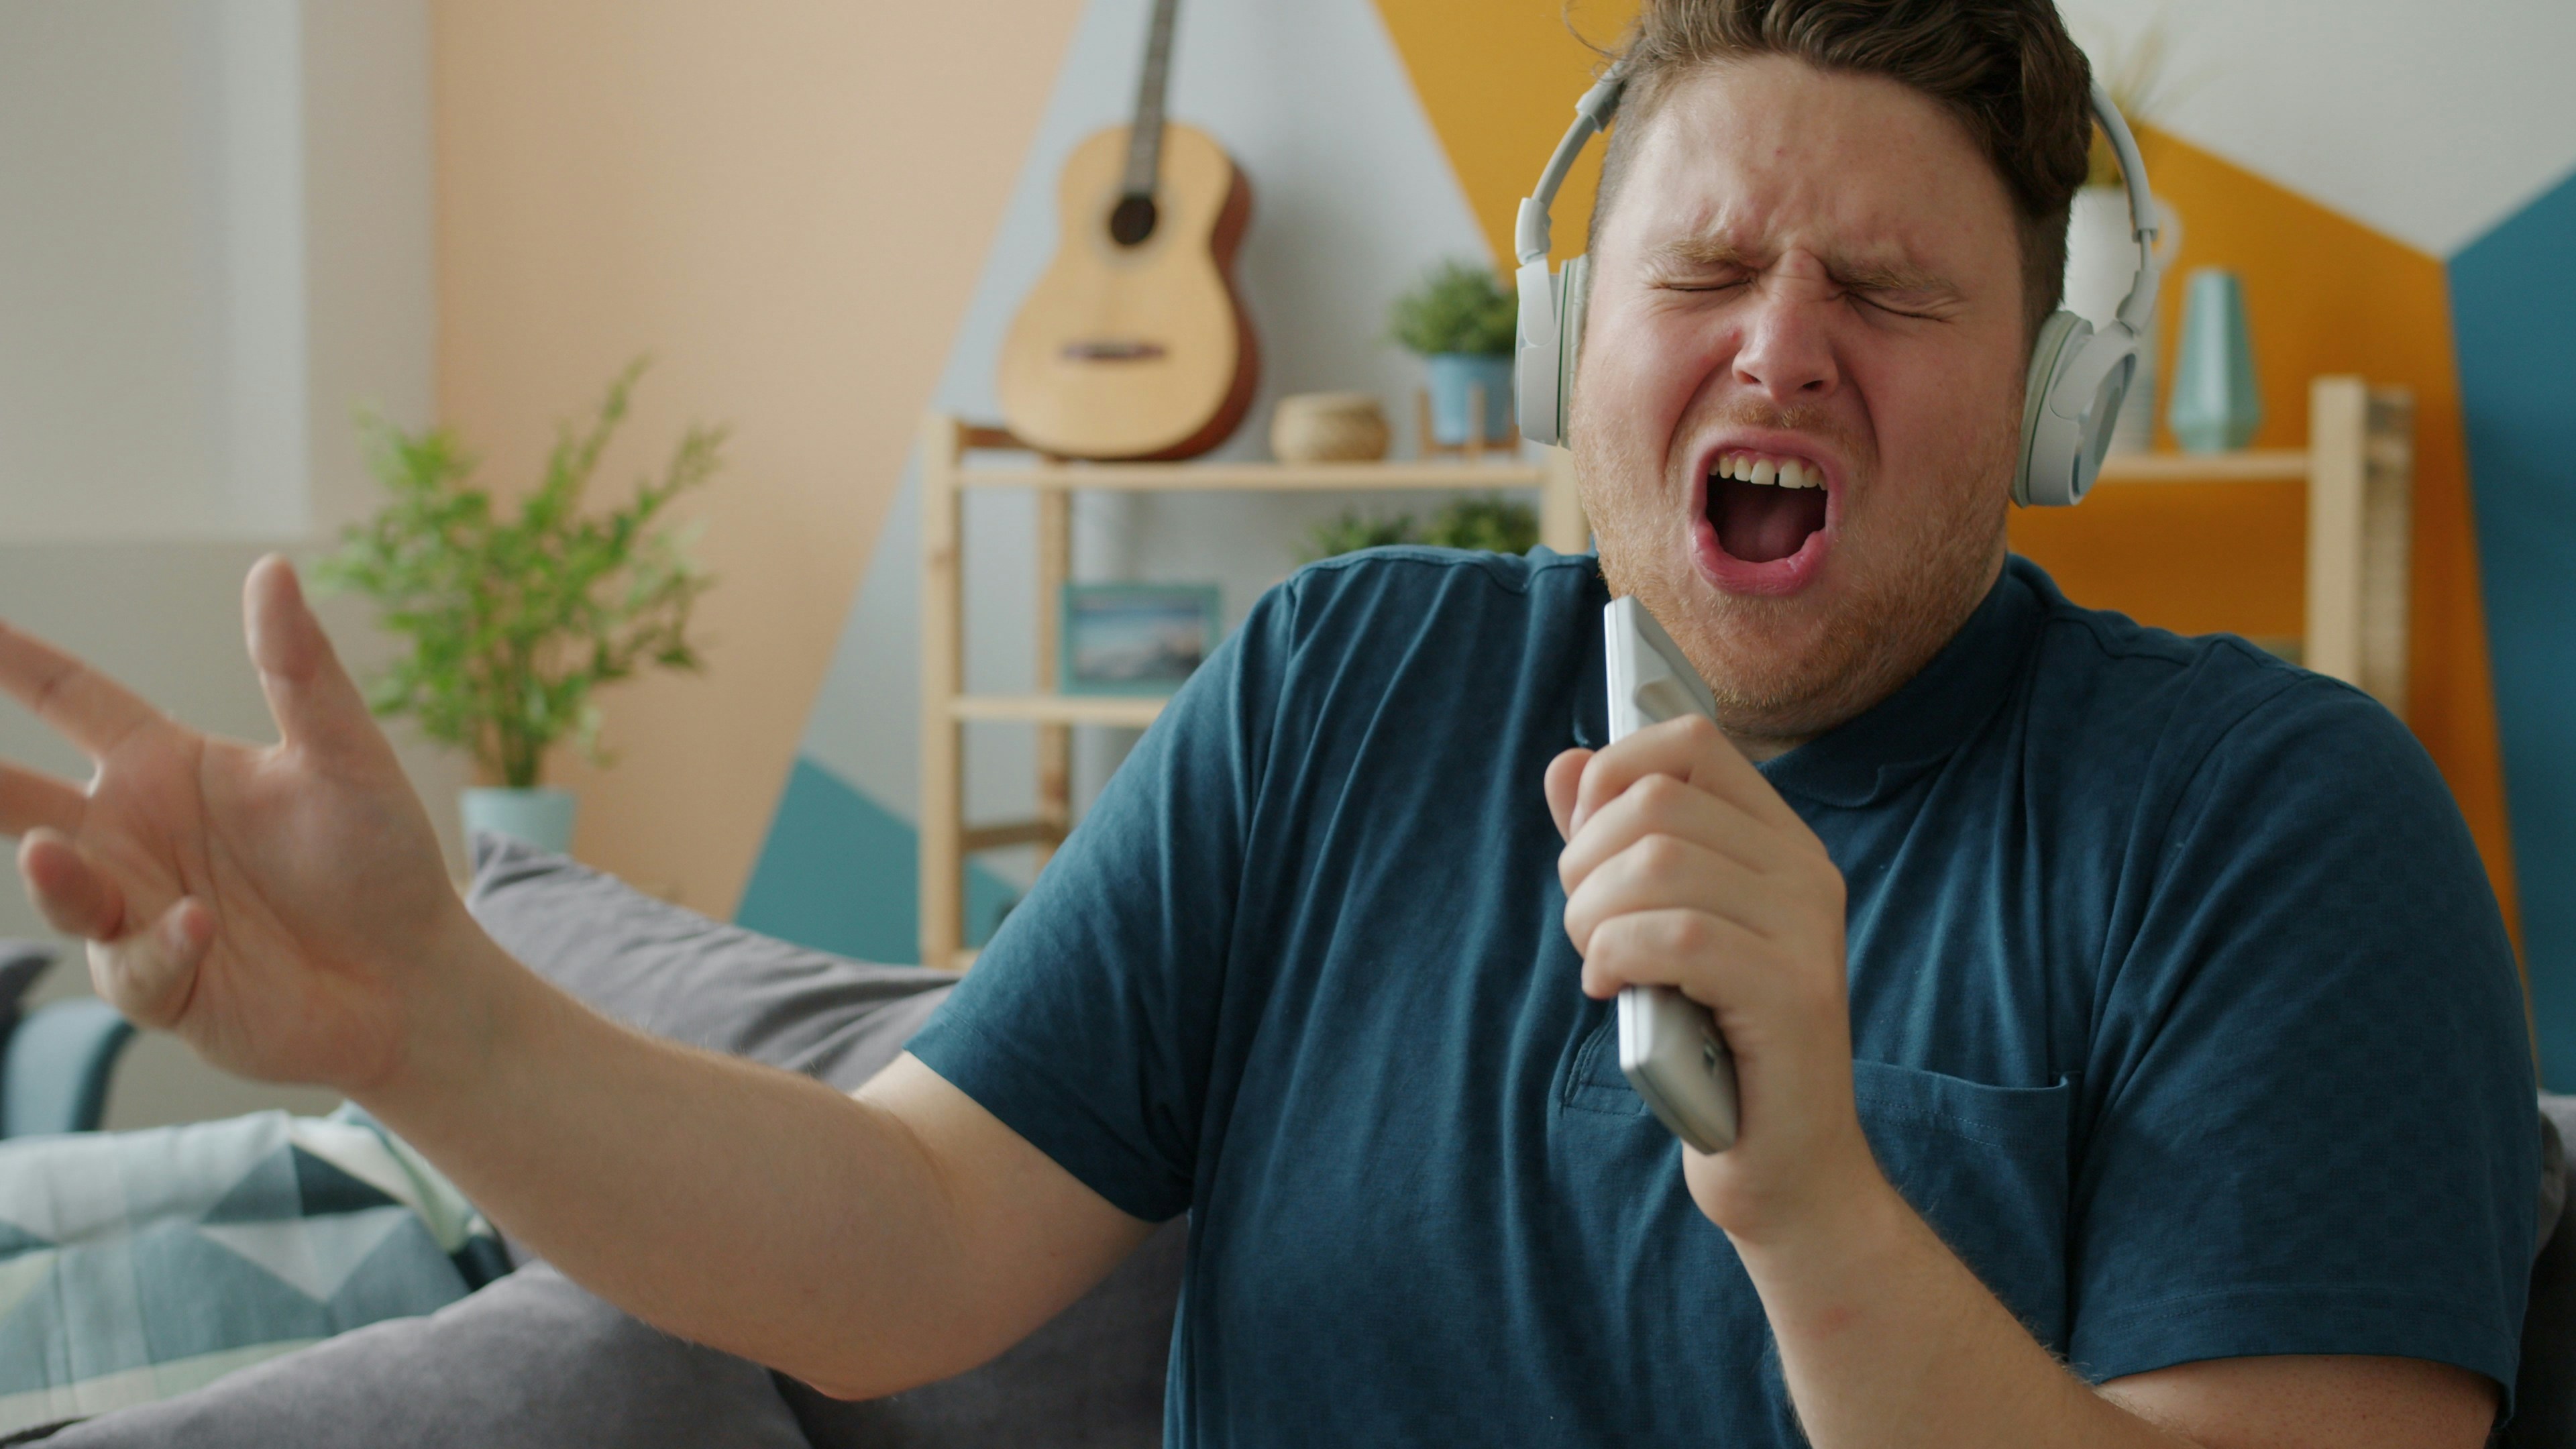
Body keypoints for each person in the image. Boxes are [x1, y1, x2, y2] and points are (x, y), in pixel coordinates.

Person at [0, 1, 2534, 1444]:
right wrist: (437, 1023)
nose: (1782, 343)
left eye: (1892, 290)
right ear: (1573, 347)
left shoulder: (2272, 832)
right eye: (1714, 267)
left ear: (2056, 403)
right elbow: (895, 1259)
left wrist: (1822, 1213)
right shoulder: (1348, 686)